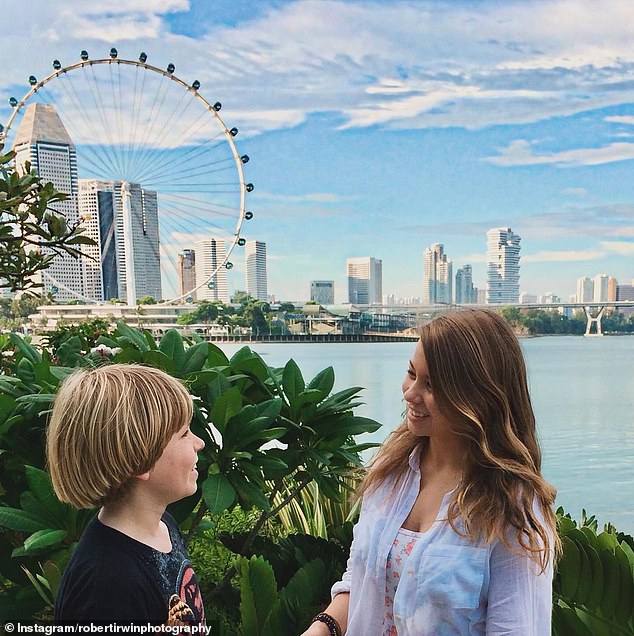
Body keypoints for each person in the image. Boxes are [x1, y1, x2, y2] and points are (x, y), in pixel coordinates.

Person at [303, 309, 560, 636]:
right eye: (412, 373)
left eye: (432, 385)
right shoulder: (390, 471)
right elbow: (364, 580)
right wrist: (321, 629)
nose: (410, 393)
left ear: (477, 397)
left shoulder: (511, 510)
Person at [46, 364, 206, 625]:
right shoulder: (108, 588)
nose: (199, 443)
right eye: (184, 434)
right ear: (143, 461)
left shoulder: (162, 525)